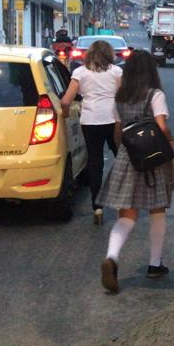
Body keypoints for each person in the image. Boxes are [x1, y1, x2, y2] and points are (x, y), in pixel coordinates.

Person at [99, 50, 174, 293]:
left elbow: (117, 130)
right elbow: (161, 126)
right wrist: (170, 141)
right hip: (153, 158)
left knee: (127, 215)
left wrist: (122, 151)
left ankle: (112, 256)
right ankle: (155, 264)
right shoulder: (155, 94)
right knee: (157, 210)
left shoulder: (120, 97)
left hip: (129, 157)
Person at [60, 39, 122, 225]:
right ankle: (123, 202)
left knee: (95, 162)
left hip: (90, 121)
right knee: (121, 159)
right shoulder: (116, 72)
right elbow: (124, 98)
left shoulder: (80, 72)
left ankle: (97, 207)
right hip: (113, 120)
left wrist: (64, 115)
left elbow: (66, 101)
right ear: (109, 54)